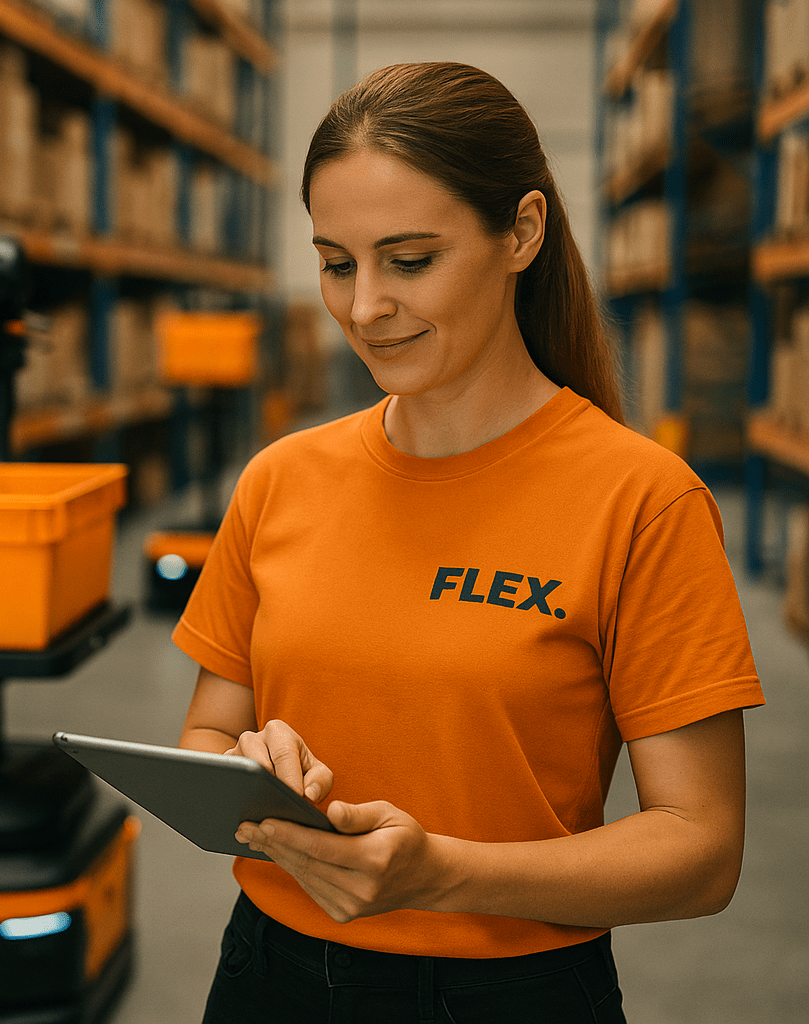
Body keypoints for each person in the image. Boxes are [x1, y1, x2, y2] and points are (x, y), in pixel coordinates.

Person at [174, 62, 764, 1023]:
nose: (364, 307)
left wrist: (440, 875)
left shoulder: (642, 500)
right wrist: (259, 776)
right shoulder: (279, 480)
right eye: (336, 263)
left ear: (522, 232)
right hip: (270, 976)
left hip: (513, 994)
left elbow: (701, 852)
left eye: (409, 262)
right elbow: (205, 733)